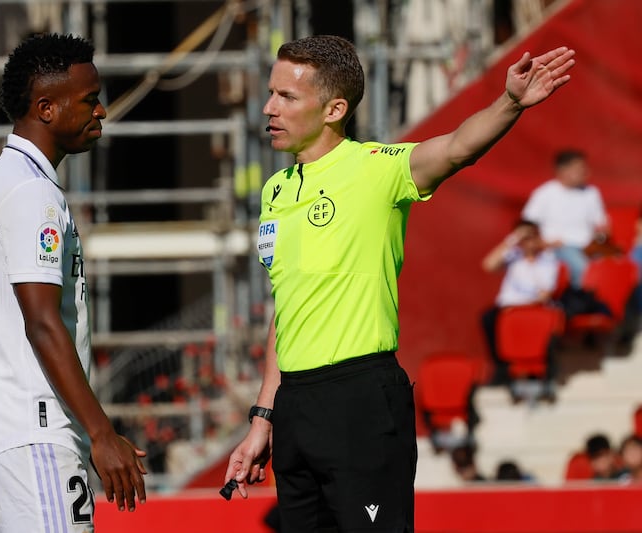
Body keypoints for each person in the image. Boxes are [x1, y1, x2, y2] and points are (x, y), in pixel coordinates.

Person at [223, 34, 575, 532]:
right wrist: (264, 418)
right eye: (271, 93)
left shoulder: (377, 168)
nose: (268, 108)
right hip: (294, 407)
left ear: (333, 109)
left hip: (360, 397)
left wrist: (509, 102)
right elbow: (289, 309)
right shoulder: (275, 191)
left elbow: (456, 148)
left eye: (287, 96)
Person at [0, 33, 146, 532]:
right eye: (89, 99)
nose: (100, 110)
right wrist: (101, 432)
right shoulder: (29, 192)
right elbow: (41, 321)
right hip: (31, 433)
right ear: (46, 108)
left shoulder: (1, 179)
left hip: (0, 435)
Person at [480, 219, 560, 384]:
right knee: (488, 318)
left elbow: (546, 293)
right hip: (506, 309)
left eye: (531, 237)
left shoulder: (548, 261)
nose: (528, 242)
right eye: (524, 238)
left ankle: (544, 368)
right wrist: (513, 240)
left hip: (534, 309)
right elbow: (488, 265)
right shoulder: (513, 256)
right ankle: (502, 368)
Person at [521, 149, 609, 288]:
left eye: (584, 168)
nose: (584, 172)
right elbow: (526, 226)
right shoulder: (544, 194)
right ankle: (580, 303)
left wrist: (601, 236)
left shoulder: (591, 193)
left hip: (590, 247)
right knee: (583, 268)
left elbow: (601, 223)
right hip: (559, 247)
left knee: (615, 267)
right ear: (562, 171)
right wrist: (542, 243)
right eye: (579, 168)